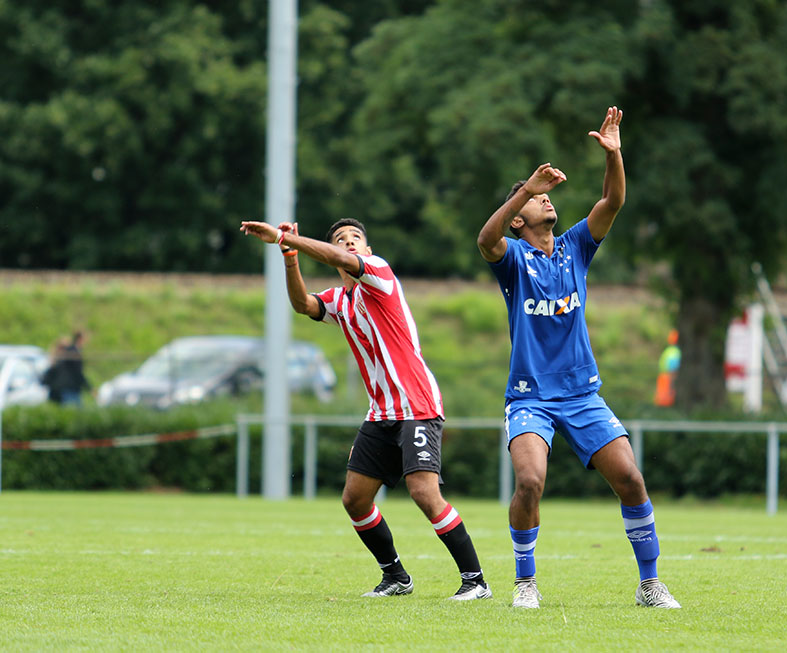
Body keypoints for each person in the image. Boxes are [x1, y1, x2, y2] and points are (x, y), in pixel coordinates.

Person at [476, 106, 680, 609]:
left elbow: (613, 199)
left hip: (581, 393)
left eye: (546, 194)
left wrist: (615, 154)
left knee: (631, 478)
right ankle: (526, 583)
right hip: (529, 397)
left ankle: (650, 584)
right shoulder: (513, 259)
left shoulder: (575, 248)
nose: (547, 199)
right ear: (520, 216)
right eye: (536, 198)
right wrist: (525, 188)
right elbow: (486, 239)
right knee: (529, 481)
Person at [239, 217, 492, 600]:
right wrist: (289, 254)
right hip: (381, 412)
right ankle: (396, 577)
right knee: (355, 499)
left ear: (367, 251)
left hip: (417, 404)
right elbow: (303, 304)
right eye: (341, 239)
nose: (349, 243)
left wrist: (285, 235)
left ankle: (476, 581)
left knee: (423, 492)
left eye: (355, 238)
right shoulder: (341, 300)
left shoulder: (379, 273)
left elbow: (339, 259)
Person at [41, 332, 90, 405]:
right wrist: (89, 388)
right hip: (68, 389)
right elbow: (78, 373)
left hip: (57, 390)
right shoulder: (72, 354)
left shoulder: (58, 360)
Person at [654, 329, 681, 407]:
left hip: (662, 377)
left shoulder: (668, 350)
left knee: (661, 398)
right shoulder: (675, 351)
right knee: (667, 398)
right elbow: (673, 368)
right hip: (669, 378)